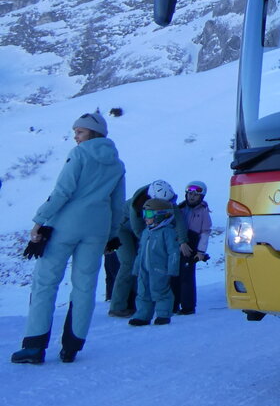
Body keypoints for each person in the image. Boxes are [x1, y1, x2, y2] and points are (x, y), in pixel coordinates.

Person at [11, 112, 126, 365]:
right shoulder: (117, 164)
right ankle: (72, 347)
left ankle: (34, 346)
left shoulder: (80, 154)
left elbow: (63, 191)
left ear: (93, 133)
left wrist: (40, 219)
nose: (75, 136)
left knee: (45, 283)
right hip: (96, 230)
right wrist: (113, 235)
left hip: (65, 227)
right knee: (85, 286)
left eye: (80, 132)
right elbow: (118, 204)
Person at [128, 180, 181, 327]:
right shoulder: (147, 232)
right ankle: (142, 315)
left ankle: (163, 314)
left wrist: (172, 268)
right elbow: (140, 251)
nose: (146, 217)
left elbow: (173, 252)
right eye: (145, 213)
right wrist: (137, 267)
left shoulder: (167, 232)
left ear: (160, 215)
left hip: (160, 268)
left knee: (160, 290)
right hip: (144, 268)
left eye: (149, 213)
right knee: (143, 291)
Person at [107, 185, 152, 317]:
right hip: (121, 230)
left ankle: (135, 302)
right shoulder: (137, 204)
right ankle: (117, 306)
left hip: (136, 230)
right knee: (129, 263)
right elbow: (138, 230)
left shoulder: (162, 200)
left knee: (141, 264)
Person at [172, 180, 213, 315]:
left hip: (192, 244)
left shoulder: (203, 212)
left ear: (201, 197)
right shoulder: (180, 208)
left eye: (195, 195)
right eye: (189, 194)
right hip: (179, 243)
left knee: (187, 276)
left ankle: (188, 306)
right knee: (174, 275)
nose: (192, 197)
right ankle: (173, 304)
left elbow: (205, 232)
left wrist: (201, 251)